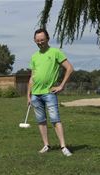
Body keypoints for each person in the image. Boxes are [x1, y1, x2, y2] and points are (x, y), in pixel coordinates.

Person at [27, 28, 74, 156]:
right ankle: (46, 145)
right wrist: (28, 95)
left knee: (55, 119)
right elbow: (32, 77)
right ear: (34, 40)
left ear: (47, 39)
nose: (40, 42)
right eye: (37, 40)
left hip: (49, 93)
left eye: (42, 40)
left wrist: (61, 86)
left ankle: (63, 146)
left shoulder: (55, 52)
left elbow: (69, 68)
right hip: (35, 95)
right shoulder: (34, 56)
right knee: (41, 120)